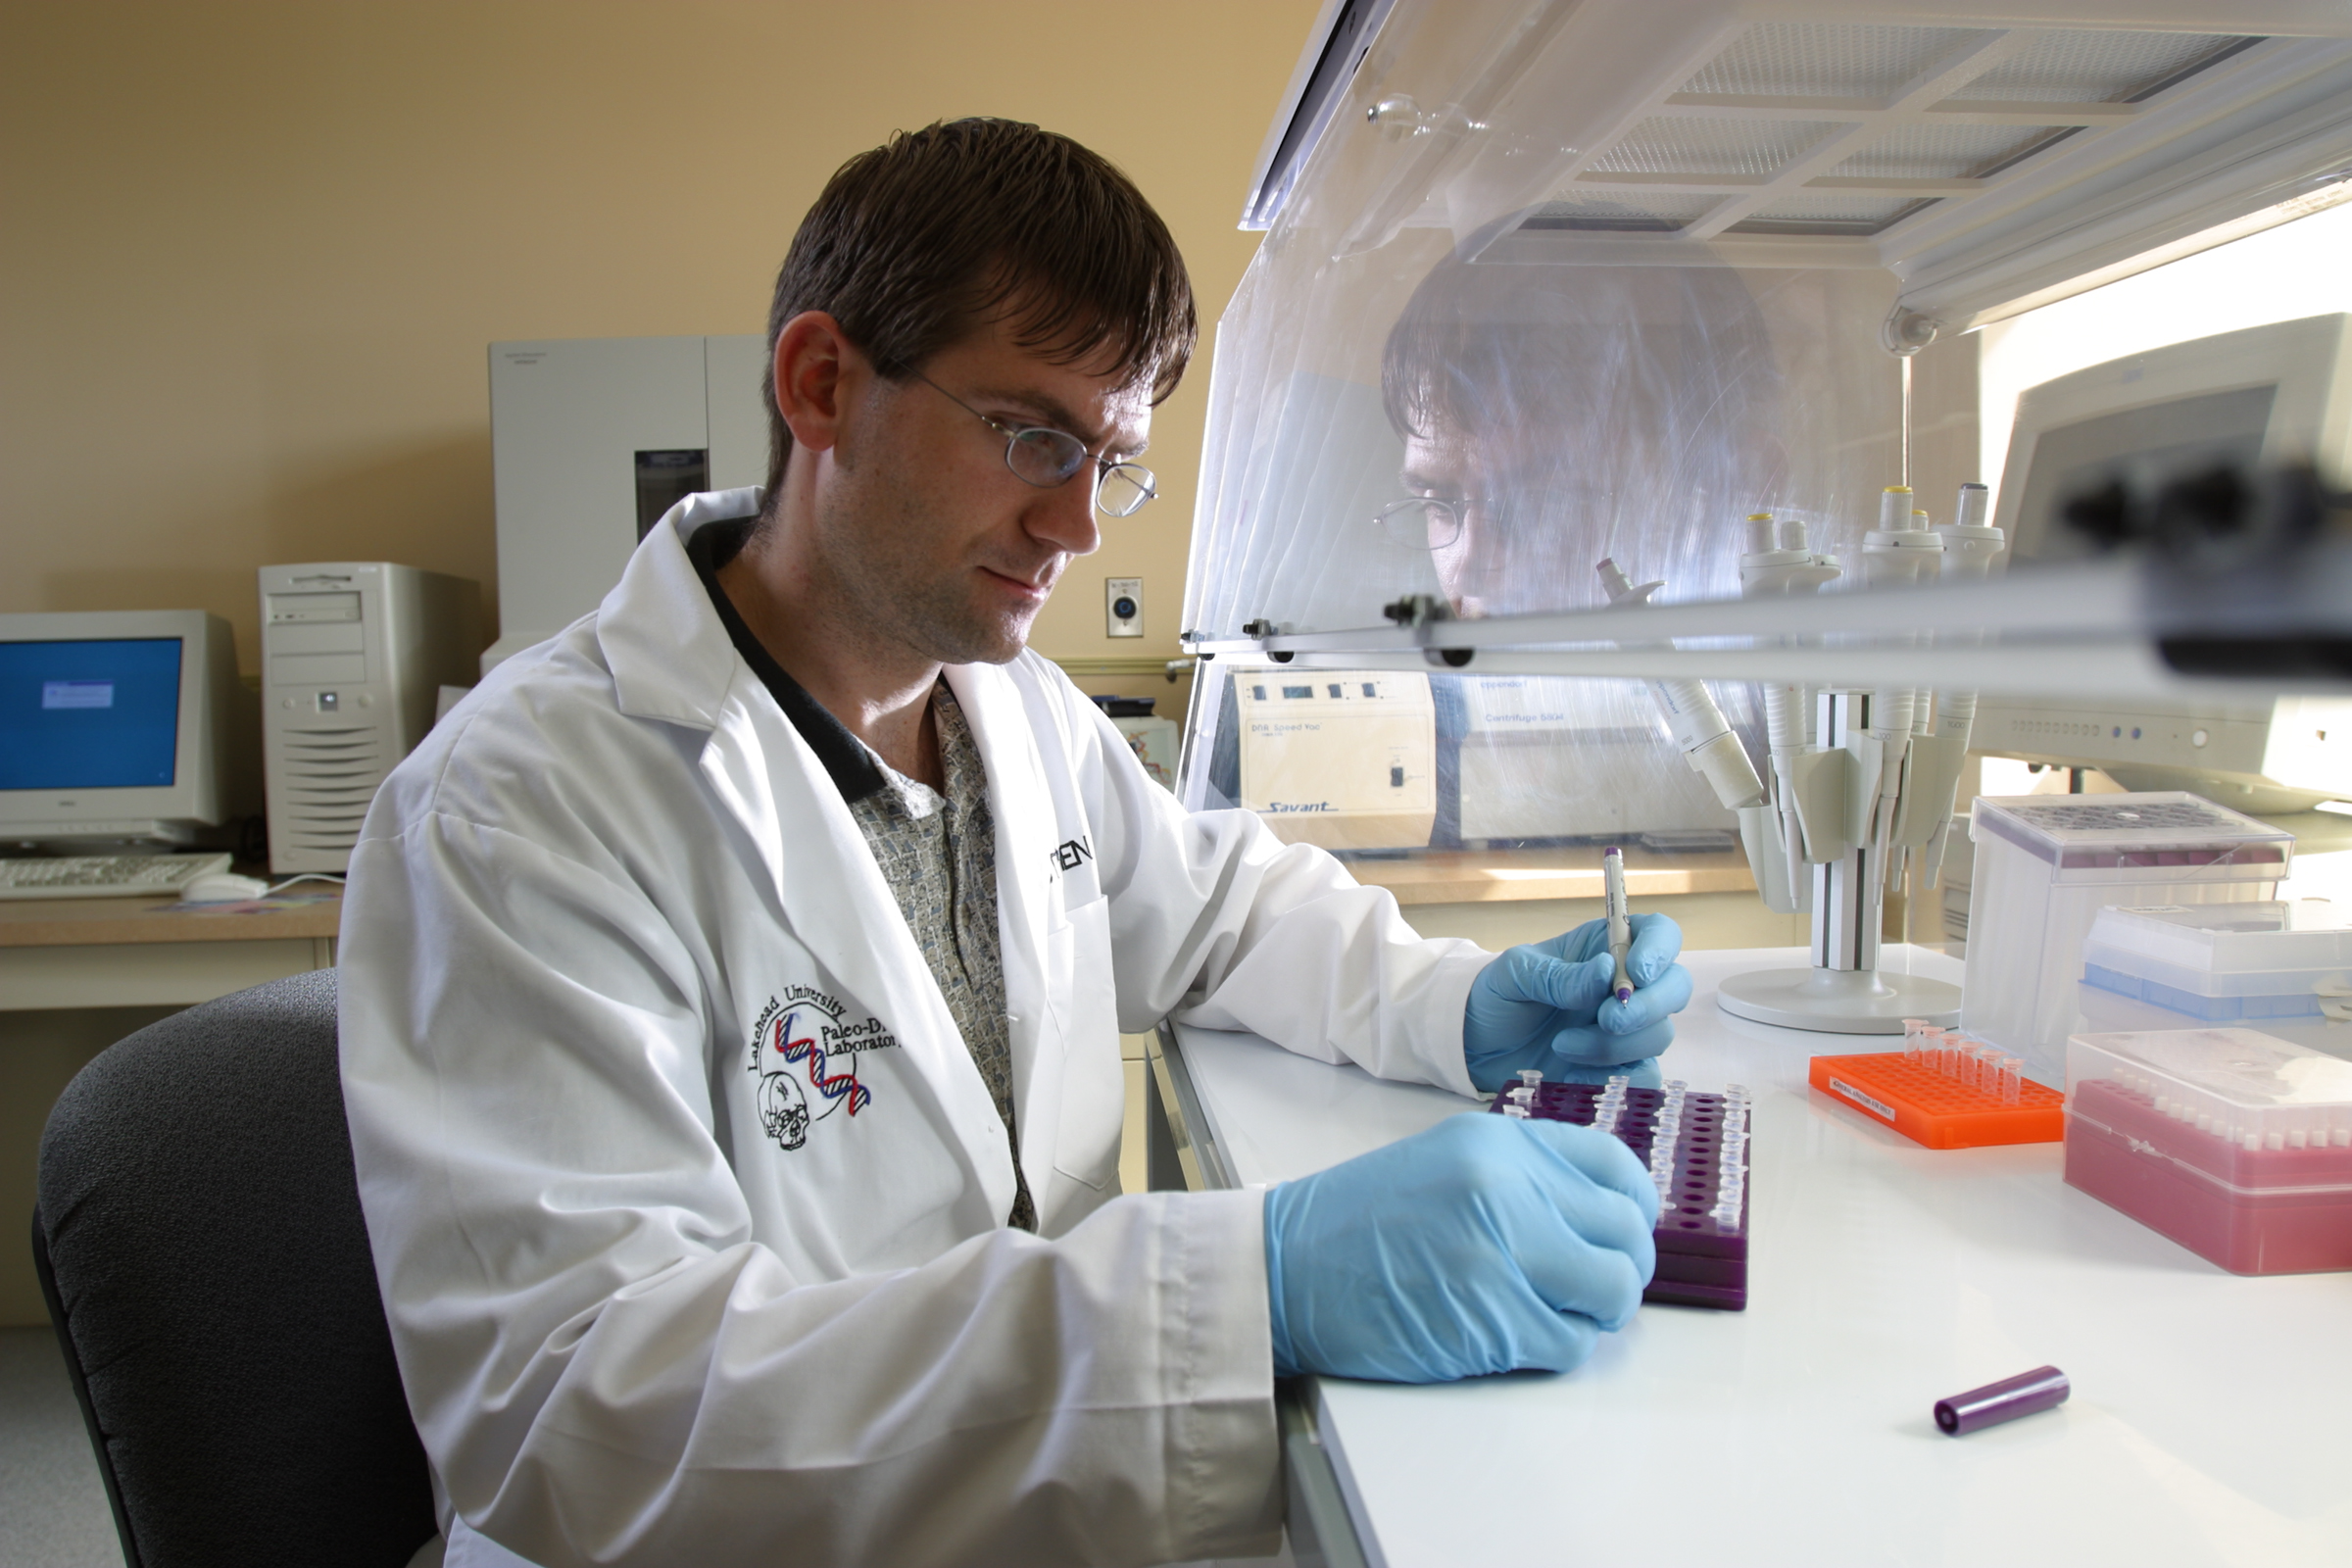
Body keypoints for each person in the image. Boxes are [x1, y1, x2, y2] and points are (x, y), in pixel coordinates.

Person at [340, 119, 1691, 1568]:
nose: (1076, 525)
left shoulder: (1014, 708)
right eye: (1032, 436)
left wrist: (1460, 1005)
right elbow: (588, 1418)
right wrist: (1250, 1289)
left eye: (1113, 461)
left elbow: (1220, 907)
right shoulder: (520, 807)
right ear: (822, 386)